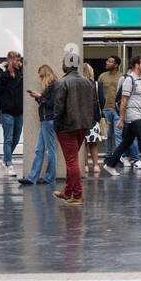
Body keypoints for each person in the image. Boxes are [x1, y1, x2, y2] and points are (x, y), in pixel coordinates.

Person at [46, 51, 98, 205]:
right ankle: (68, 192)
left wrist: (56, 125)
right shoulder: (88, 82)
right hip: (83, 126)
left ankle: (78, 194)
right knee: (73, 159)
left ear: (67, 65)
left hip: (66, 127)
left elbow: (58, 107)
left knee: (71, 161)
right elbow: (92, 105)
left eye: (63, 62)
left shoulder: (62, 83)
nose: (62, 64)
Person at [102, 55, 141, 179]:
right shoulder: (129, 80)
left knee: (126, 142)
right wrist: (121, 119)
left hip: (140, 115)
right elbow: (124, 101)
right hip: (132, 115)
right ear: (136, 65)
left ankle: (110, 164)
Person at [21, 65, 58, 185]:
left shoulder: (53, 86)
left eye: (41, 76)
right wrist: (38, 98)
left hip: (49, 120)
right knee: (39, 149)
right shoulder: (51, 86)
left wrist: (40, 97)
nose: (40, 79)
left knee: (49, 150)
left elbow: (52, 104)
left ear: (46, 75)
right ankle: (32, 178)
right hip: (45, 120)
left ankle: (49, 177)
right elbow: (46, 102)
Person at [0, 50, 23, 176]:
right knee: (8, 139)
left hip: (19, 112)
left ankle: (4, 161)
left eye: (20, 60)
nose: (19, 63)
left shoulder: (21, 75)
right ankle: (9, 164)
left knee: (16, 138)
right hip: (7, 112)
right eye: (17, 60)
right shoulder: (1, 78)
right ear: (10, 60)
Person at [81, 62, 104, 177]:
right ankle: (95, 166)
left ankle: (85, 165)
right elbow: (102, 100)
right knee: (93, 143)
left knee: (83, 143)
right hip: (93, 117)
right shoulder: (96, 84)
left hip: (80, 117)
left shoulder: (78, 85)